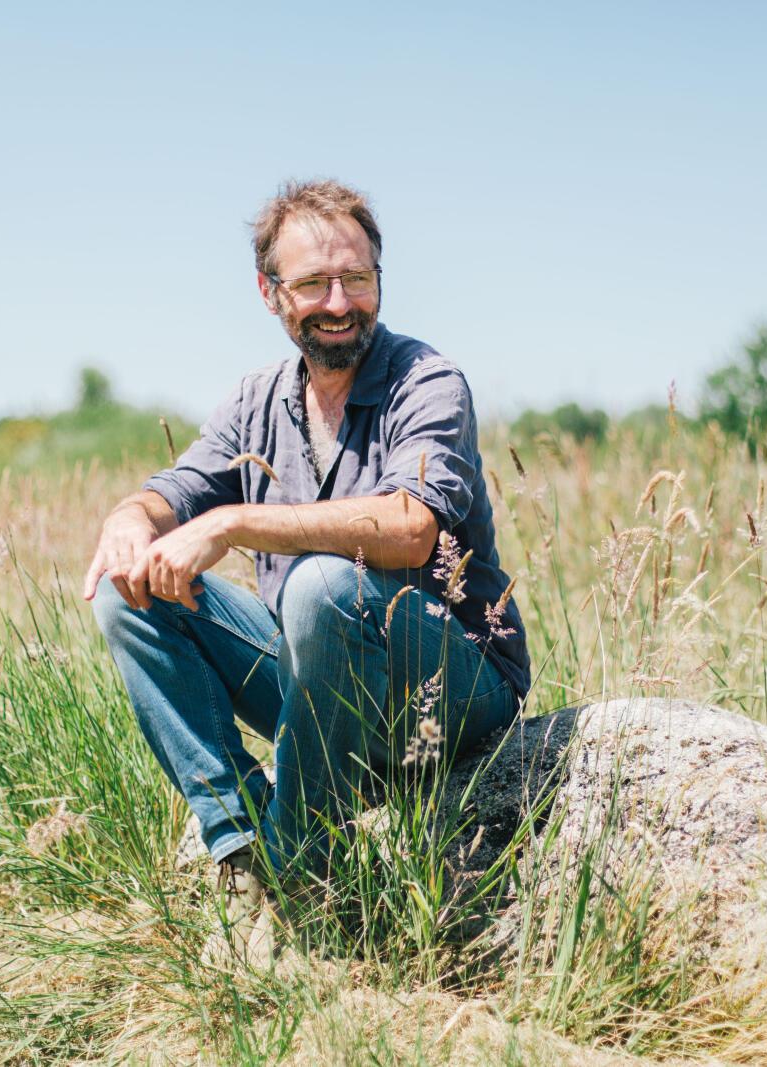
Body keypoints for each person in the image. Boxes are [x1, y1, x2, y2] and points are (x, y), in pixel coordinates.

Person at [81, 179, 530, 963]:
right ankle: (243, 850)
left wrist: (234, 522)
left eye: (357, 278)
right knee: (132, 596)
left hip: (449, 686)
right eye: (314, 283)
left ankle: (305, 883)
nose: (339, 301)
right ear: (269, 292)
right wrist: (129, 520)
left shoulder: (426, 380)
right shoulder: (256, 400)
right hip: (317, 677)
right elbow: (171, 493)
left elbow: (411, 526)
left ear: (379, 280)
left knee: (323, 585)